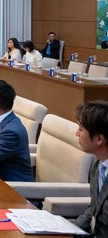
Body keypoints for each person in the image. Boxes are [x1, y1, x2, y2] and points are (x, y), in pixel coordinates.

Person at [74, 100, 108, 237]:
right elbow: (94, 209)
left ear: (99, 139)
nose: (77, 133)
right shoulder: (96, 162)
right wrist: (69, 230)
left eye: (80, 129)